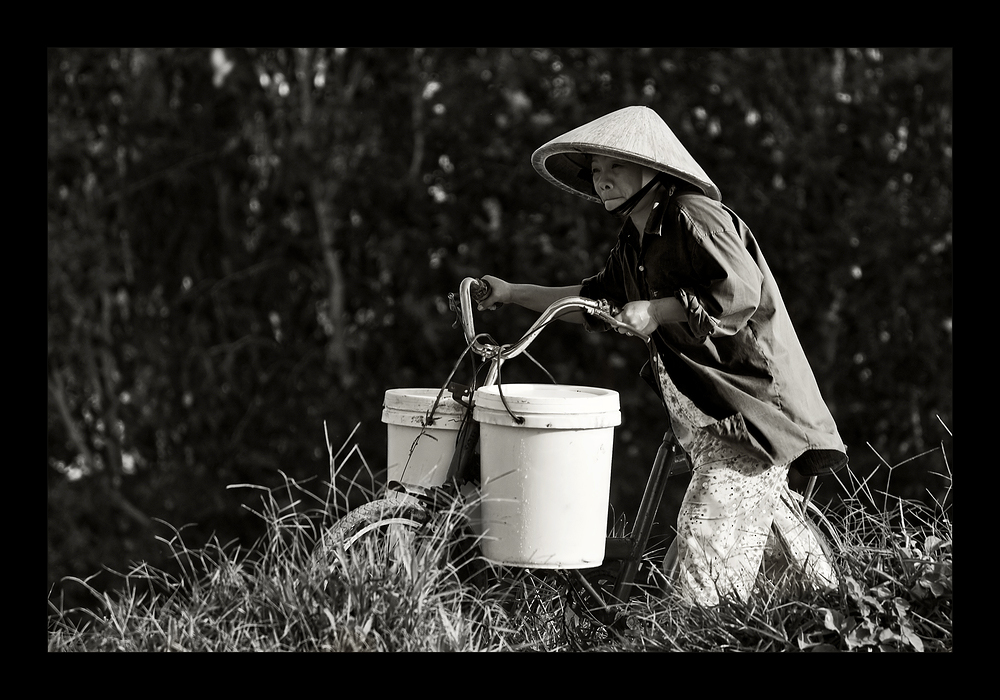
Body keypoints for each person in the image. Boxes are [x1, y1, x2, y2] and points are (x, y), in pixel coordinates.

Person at [475, 105, 847, 606]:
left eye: (616, 168)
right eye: (596, 171)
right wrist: (513, 293)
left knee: (698, 562)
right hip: (707, 425)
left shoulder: (694, 215)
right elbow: (591, 302)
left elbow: (738, 293)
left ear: (652, 169)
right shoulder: (634, 240)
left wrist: (656, 309)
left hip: (751, 419)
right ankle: (852, 617)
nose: (602, 180)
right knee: (800, 580)